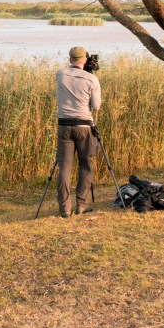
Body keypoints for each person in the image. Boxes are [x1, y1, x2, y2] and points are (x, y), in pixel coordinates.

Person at [55, 45, 102, 217]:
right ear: (85, 60)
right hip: (84, 126)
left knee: (65, 167)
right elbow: (96, 106)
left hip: (64, 125)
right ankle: (82, 204)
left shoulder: (60, 75)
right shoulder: (91, 79)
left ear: (69, 59)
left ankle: (65, 209)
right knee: (86, 164)